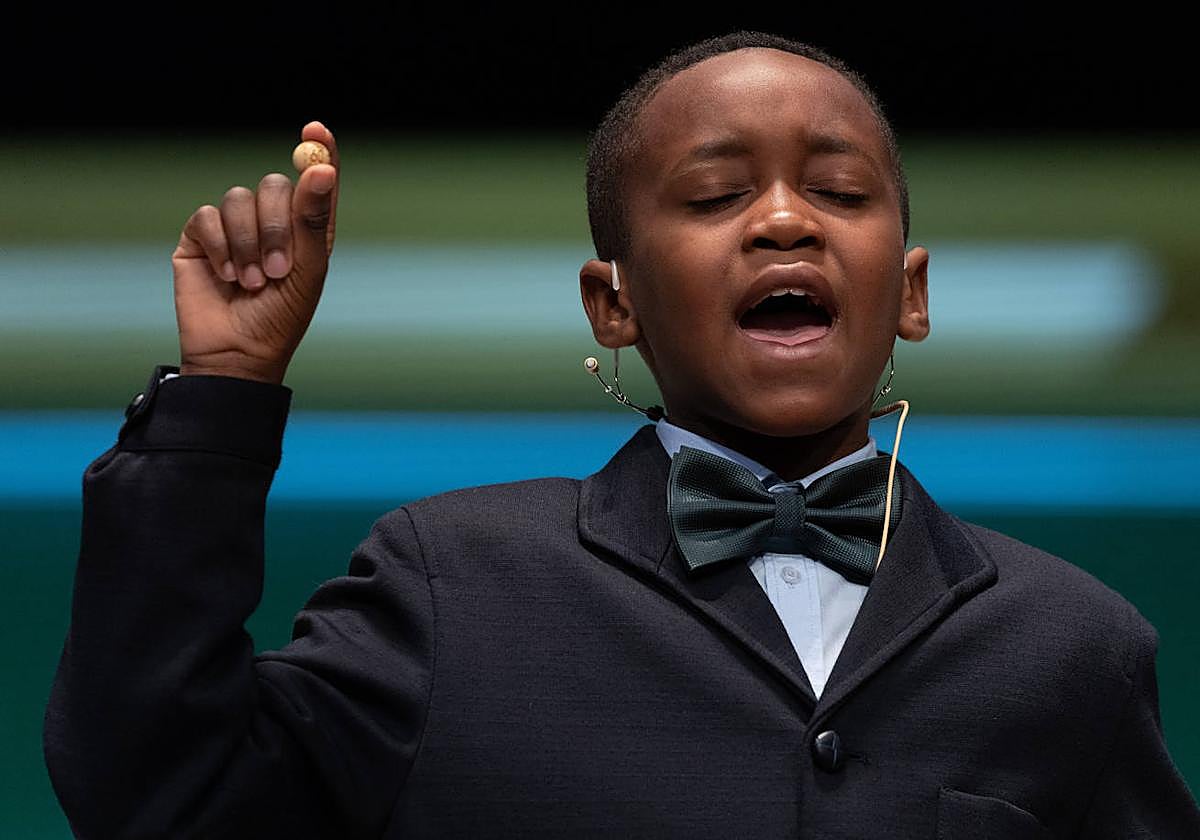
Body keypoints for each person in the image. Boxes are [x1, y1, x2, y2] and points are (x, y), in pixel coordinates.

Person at [44, 30, 1200, 838]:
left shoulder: (1075, 645)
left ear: (910, 293)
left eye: (839, 193)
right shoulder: (452, 583)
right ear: (615, 305)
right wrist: (221, 396)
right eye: (714, 197)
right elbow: (157, 794)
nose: (786, 220)